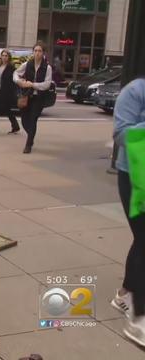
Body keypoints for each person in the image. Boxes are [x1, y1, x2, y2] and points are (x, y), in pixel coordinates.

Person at [111, 77, 145, 347]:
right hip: (134, 176)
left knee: (142, 239)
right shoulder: (134, 91)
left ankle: (124, 294)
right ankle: (138, 320)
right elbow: (122, 135)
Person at [13, 42, 52, 154]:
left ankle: (28, 144)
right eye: (35, 51)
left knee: (33, 119)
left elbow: (47, 84)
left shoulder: (47, 67)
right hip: (27, 96)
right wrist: (19, 81)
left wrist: (33, 84)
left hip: (39, 97)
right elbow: (16, 73)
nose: (37, 53)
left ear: (43, 53)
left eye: (40, 51)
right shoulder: (27, 64)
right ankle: (31, 135)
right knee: (25, 120)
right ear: (33, 52)